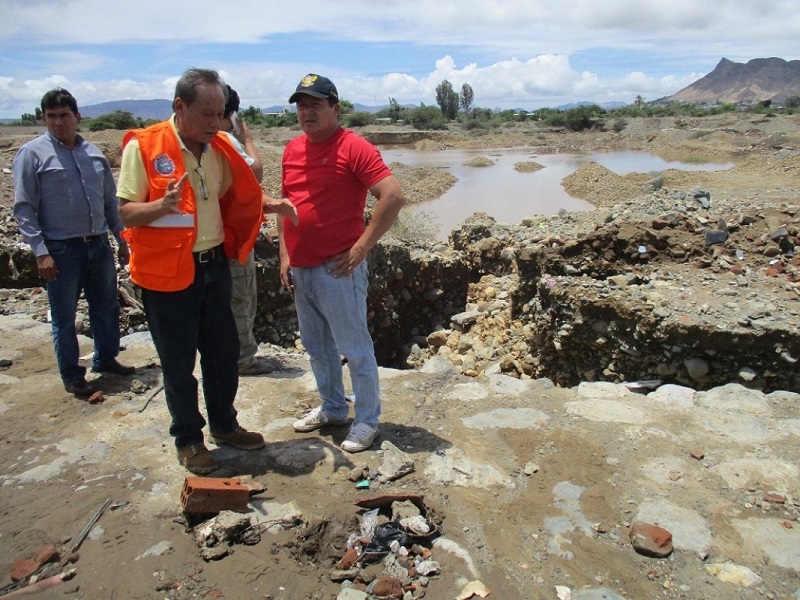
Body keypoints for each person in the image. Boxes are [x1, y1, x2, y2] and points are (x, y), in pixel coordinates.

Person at [116, 68, 298, 474]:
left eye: (221, 115)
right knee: (178, 361)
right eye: (207, 115)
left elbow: (235, 200)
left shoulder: (219, 149)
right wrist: (160, 207)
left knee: (223, 352)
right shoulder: (145, 147)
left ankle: (225, 425)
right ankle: (189, 438)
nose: (216, 124)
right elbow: (124, 210)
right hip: (166, 277)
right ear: (180, 107)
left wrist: (274, 205)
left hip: (214, 266)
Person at [278, 73, 406, 453]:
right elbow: (285, 205)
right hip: (302, 270)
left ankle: (366, 420)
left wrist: (362, 247)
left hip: (338, 270)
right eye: (301, 105)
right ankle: (334, 409)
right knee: (317, 347)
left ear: (335, 109)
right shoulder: (291, 149)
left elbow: (393, 196)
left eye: (315, 105)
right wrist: (285, 254)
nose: (306, 112)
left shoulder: (354, 147)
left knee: (355, 347)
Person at [12, 88, 134, 399]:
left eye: (64, 116)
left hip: (97, 244)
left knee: (105, 306)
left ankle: (106, 359)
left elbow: (109, 201)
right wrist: (41, 252)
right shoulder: (33, 154)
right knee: (64, 316)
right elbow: (24, 208)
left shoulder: (93, 154)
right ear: (44, 118)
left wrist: (121, 238)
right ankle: (73, 376)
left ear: (77, 117)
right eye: (51, 116)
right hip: (61, 249)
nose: (58, 122)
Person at [220, 86, 279, 376]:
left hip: (217, 236)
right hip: (234, 238)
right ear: (231, 114)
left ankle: (227, 355)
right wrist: (248, 138)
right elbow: (255, 172)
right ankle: (243, 360)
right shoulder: (226, 139)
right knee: (241, 298)